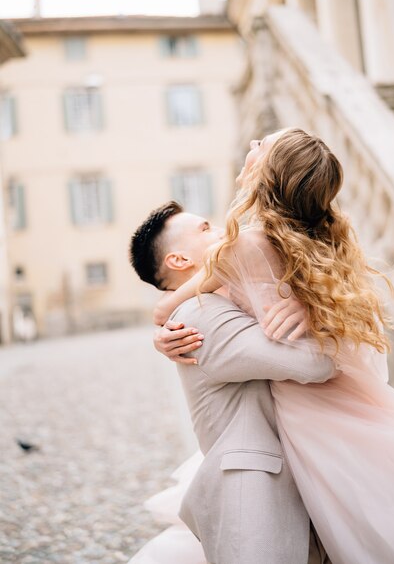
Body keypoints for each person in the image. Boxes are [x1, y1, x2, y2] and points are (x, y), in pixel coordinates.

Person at [154, 128, 394, 564]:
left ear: (268, 175)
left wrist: (162, 331)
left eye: (262, 145)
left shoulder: (241, 247)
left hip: (307, 415)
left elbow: (170, 304)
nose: (251, 144)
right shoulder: (329, 240)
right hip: (352, 403)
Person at [128, 202, 335, 564]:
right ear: (178, 261)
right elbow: (315, 364)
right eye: (205, 228)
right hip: (255, 490)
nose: (224, 229)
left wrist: (305, 301)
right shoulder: (199, 316)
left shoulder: (221, 298)